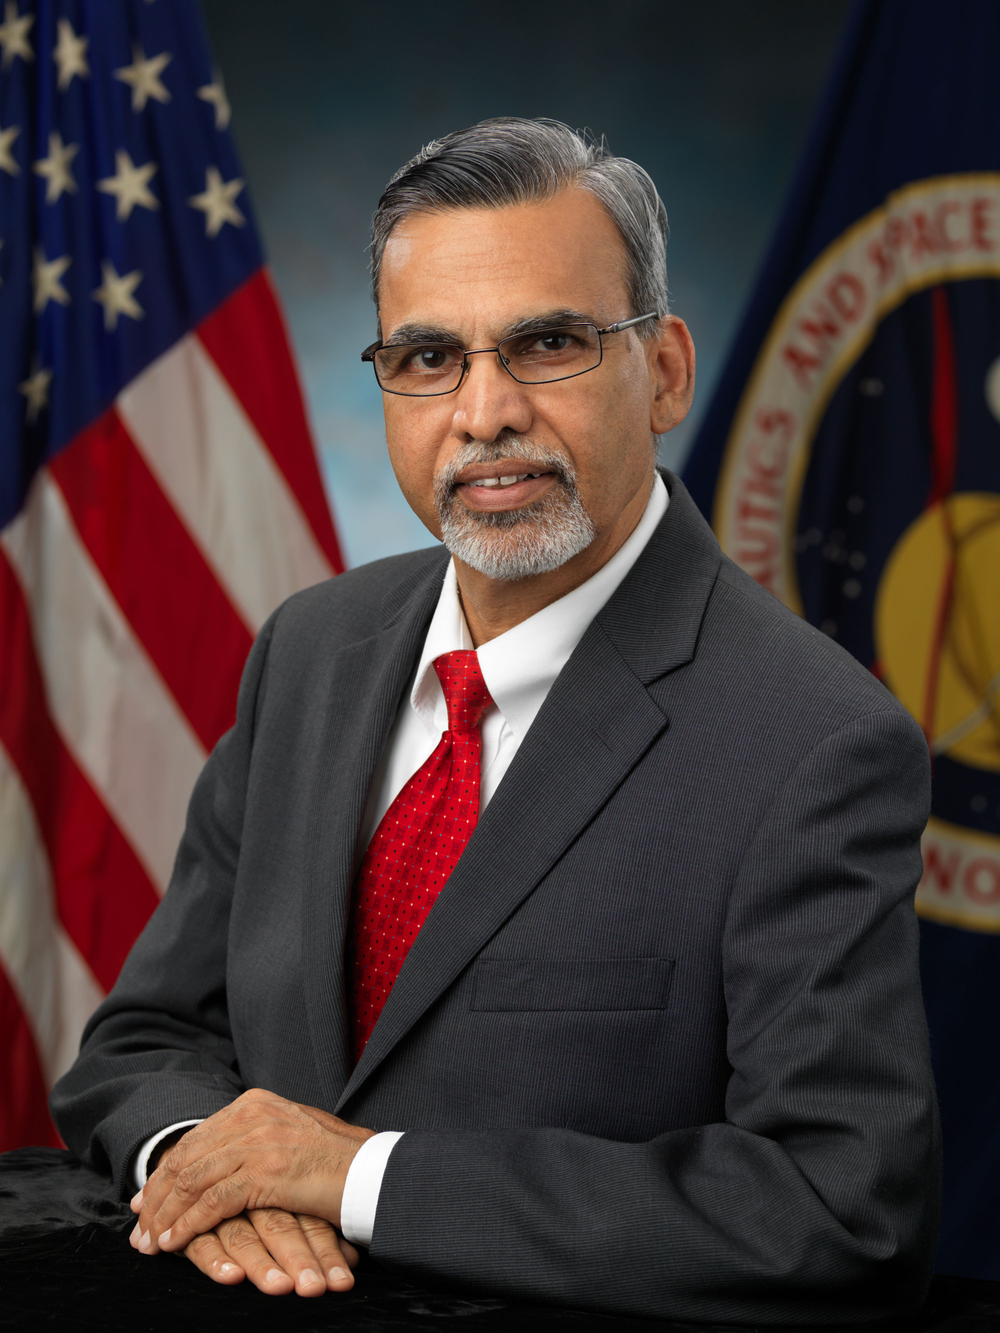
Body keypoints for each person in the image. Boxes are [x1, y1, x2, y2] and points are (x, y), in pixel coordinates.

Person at [51, 117, 940, 1325]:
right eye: (426, 359)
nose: (482, 413)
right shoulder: (309, 652)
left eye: (549, 343)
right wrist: (209, 1163)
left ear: (666, 370)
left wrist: (354, 1174)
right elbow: (142, 1039)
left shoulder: (814, 743)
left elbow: (837, 1203)